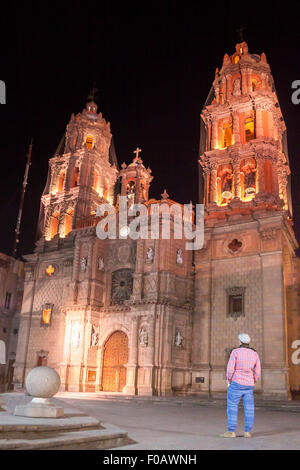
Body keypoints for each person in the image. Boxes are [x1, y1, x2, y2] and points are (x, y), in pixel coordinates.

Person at [220, 333, 261, 438]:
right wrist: (253, 380)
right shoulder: (254, 354)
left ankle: (231, 431)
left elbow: (230, 369)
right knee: (249, 408)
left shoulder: (235, 352)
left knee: (232, 406)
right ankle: (247, 432)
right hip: (249, 384)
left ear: (239, 341)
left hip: (237, 383)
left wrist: (229, 380)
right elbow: (257, 371)